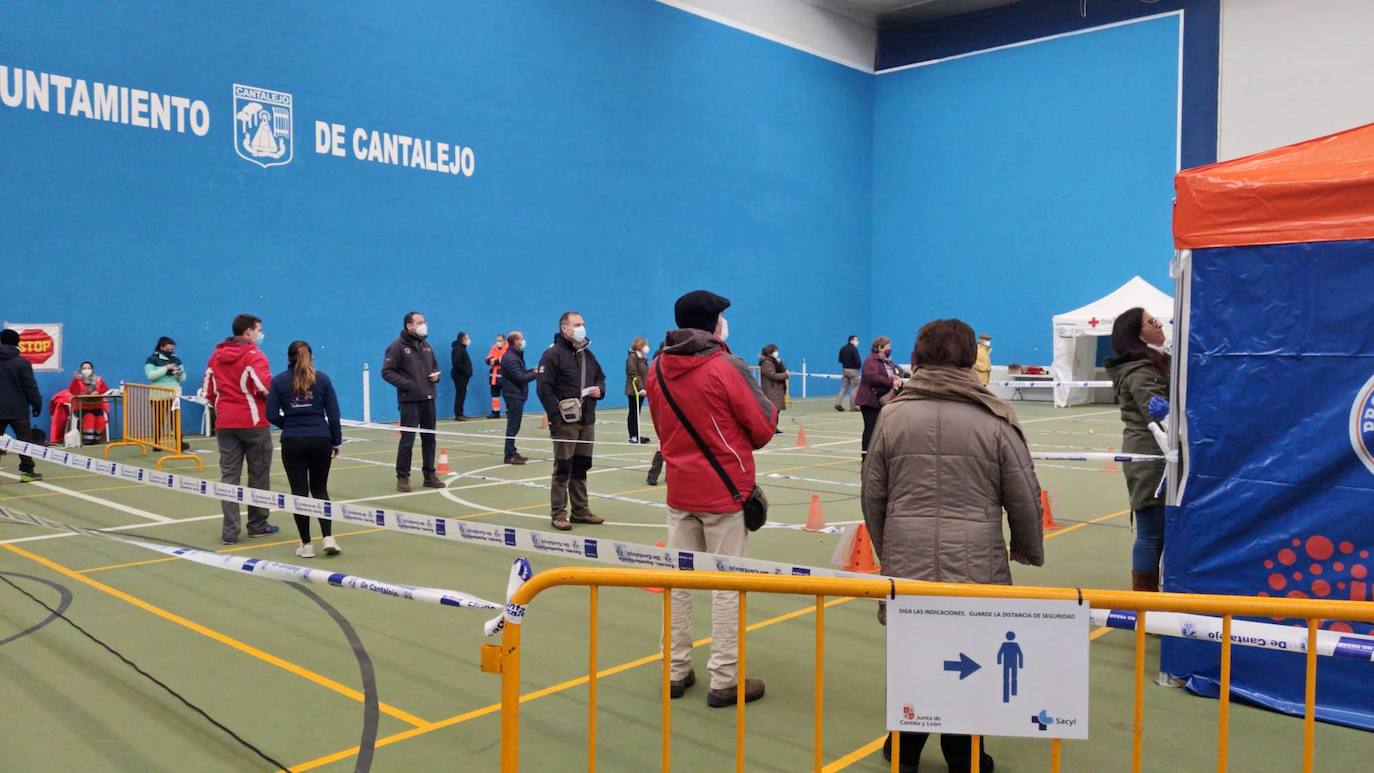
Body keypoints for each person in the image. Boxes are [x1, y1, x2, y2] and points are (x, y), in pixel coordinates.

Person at [862, 318, 1044, 773]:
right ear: (970, 360)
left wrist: (890, 550)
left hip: (908, 562)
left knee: (914, 659)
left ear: (917, 358)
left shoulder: (892, 416)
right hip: (977, 564)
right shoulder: (997, 416)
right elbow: (1023, 494)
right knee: (971, 660)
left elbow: (872, 497)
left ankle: (903, 750)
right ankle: (964, 754)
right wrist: (1026, 546)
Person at [647, 290, 777, 707]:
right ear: (713, 324)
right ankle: (724, 679)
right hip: (724, 494)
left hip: (679, 489)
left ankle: (674, 670)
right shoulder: (725, 367)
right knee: (727, 587)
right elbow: (761, 426)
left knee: (678, 584)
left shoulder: (657, 368)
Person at [1105, 307, 1170, 593]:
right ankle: (1146, 604)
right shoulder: (1141, 369)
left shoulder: (1153, 362)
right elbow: (1158, 417)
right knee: (1151, 534)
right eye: (1151, 322)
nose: (1158, 324)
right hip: (1150, 457)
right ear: (1137, 334)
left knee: (1156, 533)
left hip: (1155, 453)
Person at [204, 314, 277, 544]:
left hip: (225, 423)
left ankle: (229, 532)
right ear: (248, 332)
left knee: (229, 477)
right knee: (258, 474)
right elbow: (264, 387)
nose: (260, 334)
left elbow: (208, 391)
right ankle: (257, 524)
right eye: (258, 329)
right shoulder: (253, 355)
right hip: (253, 422)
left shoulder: (215, 356)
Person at [267, 340, 343, 558]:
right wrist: (335, 440)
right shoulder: (323, 379)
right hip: (320, 439)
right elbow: (334, 415)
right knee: (320, 490)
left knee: (299, 492)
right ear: (311, 357)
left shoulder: (279, 381)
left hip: (293, 441)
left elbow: (271, 414)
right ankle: (328, 537)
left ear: (288, 357)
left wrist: (288, 425)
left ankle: (306, 544)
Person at [536, 311, 606, 531]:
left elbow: (600, 376)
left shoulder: (588, 355)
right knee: (563, 468)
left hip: (587, 420)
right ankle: (558, 513)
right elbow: (543, 388)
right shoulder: (553, 355)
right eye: (577, 324)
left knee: (582, 466)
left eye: (583, 323)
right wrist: (556, 417)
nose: (581, 327)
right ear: (564, 328)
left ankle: (580, 510)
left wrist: (599, 390)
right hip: (566, 422)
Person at [382, 311, 446, 492]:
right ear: (409, 326)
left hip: (428, 398)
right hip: (409, 401)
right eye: (419, 322)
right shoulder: (396, 347)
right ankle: (403, 477)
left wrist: (435, 376)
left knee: (429, 439)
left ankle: (429, 475)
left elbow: (434, 366)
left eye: (424, 321)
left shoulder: (427, 346)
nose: (423, 324)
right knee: (407, 440)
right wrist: (408, 384)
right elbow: (387, 372)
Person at [0, 329, 43, 482]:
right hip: (18, 409)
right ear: (18, 343)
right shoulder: (22, 362)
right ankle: (27, 472)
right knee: (24, 440)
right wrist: (37, 404)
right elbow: (30, 387)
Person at [855, 336, 903, 458]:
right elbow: (872, 377)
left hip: (882, 400)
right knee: (870, 429)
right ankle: (866, 455)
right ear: (880, 347)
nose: (889, 349)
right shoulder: (870, 361)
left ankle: (879, 454)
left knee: (883, 430)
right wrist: (891, 381)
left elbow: (897, 370)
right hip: (869, 401)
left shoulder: (886, 361)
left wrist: (901, 375)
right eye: (887, 347)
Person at [499, 331, 540, 465]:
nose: (523, 341)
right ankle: (509, 455)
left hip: (516, 394)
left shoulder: (515, 356)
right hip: (513, 395)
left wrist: (532, 371)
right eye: (521, 338)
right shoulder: (511, 358)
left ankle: (512, 451)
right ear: (516, 341)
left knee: (515, 425)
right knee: (513, 426)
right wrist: (535, 374)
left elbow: (521, 373)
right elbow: (519, 378)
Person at [145, 336, 189, 450]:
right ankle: (156, 443)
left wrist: (180, 373)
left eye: (172, 349)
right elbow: (151, 376)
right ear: (161, 347)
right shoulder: (152, 359)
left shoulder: (176, 359)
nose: (170, 352)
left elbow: (183, 378)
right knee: (159, 419)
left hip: (174, 394)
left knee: (175, 419)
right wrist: (165, 368)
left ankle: (179, 442)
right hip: (158, 395)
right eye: (168, 349)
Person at [67, 361, 111, 444]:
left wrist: (98, 392)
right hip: (81, 407)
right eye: (84, 368)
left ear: (92, 369)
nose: (86, 370)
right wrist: (75, 380)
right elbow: (73, 391)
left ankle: (97, 438)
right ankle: (88, 439)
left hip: (96, 407)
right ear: (81, 370)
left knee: (101, 419)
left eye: (88, 368)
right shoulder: (77, 380)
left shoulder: (98, 379)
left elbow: (105, 389)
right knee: (89, 417)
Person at [625, 337, 651, 444]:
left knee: (637, 412)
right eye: (645, 345)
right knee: (633, 413)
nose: (646, 347)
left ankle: (637, 434)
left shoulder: (642, 358)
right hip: (634, 390)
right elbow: (633, 373)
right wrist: (640, 388)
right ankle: (633, 436)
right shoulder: (632, 357)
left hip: (642, 390)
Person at [758, 344, 788, 434]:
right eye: (775, 350)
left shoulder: (775, 361)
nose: (777, 352)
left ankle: (774, 427)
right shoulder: (766, 362)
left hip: (777, 389)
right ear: (771, 351)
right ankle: (770, 427)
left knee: (776, 411)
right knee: (772, 410)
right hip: (770, 389)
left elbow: (782, 370)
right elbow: (772, 375)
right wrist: (785, 375)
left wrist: (780, 363)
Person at [450, 331, 473, 421]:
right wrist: (467, 372)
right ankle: (458, 414)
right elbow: (456, 363)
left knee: (462, 394)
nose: (468, 340)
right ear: (462, 339)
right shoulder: (458, 349)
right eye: (467, 338)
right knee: (460, 395)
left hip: (463, 376)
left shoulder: (462, 348)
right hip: (459, 376)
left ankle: (461, 413)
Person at [485, 333, 508, 419]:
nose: (498, 342)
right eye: (497, 340)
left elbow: (505, 360)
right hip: (494, 378)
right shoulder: (493, 348)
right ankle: (495, 412)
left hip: (504, 377)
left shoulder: (508, 348)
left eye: (500, 340)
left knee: (507, 395)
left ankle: (509, 411)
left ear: (504, 341)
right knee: (495, 396)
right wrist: (491, 360)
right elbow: (487, 359)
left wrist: (494, 361)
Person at [836, 334, 862, 411]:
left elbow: (840, 360)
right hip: (853, 370)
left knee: (844, 387)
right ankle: (853, 406)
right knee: (854, 388)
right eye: (856, 340)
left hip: (845, 370)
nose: (857, 342)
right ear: (851, 340)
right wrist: (858, 367)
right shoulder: (854, 349)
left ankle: (838, 403)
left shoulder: (842, 348)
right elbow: (857, 361)